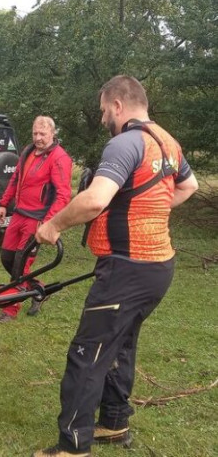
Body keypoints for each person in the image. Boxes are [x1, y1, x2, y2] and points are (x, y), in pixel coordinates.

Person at [32, 75, 199, 457]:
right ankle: (115, 420)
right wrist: (150, 211)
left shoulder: (125, 143)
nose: (104, 116)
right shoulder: (168, 142)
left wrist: (54, 224)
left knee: (88, 354)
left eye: (104, 110)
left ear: (118, 105)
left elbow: (95, 200)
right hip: (158, 267)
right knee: (121, 344)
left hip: (127, 269)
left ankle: (72, 445)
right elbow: (188, 186)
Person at [0, 115, 73, 323]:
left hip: (37, 219)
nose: (38, 137)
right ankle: (39, 290)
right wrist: (3, 203)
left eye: (43, 134)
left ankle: (10, 310)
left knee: (20, 264)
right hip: (19, 214)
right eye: (35, 133)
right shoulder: (28, 151)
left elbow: (63, 195)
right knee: (7, 259)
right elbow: (15, 178)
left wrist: (49, 222)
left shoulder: (59, 158)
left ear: (53, 134)